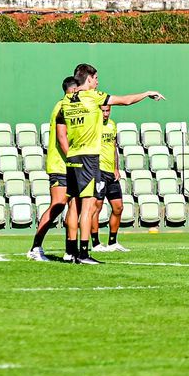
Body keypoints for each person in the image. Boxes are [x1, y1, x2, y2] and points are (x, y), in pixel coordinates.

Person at [57, 64, 164, 265]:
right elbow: (125, 101)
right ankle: (83, 253)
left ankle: (70, 252)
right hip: (89, 157)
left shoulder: (66, 100)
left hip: (72, 157)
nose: (97, 82)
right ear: (88, 79)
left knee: (73, 205)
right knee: (88, 208)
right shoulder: (94, 96)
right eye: (96, 78)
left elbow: (61, 128)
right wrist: (147, 93)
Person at [27, 74, 80, 262]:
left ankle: (70, 250)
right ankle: (35, 247)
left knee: (75, 206)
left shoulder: (73, 106)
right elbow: (62, 137)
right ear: (74, 89)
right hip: (60, 165)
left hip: (71, 165)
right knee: (58, 205)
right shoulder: (63, 106)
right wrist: (74, 159)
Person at [91, 113, 129, 253]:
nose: (106, 114)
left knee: (118, 207)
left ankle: (112, 242)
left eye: (108, 110)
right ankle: (95, 243)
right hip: (97, 170)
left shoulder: (112, 124)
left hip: (111, 172)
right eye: (103, 111)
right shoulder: (93, 124)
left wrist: (116, 168)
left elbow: (113, 147)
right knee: (97, 207)